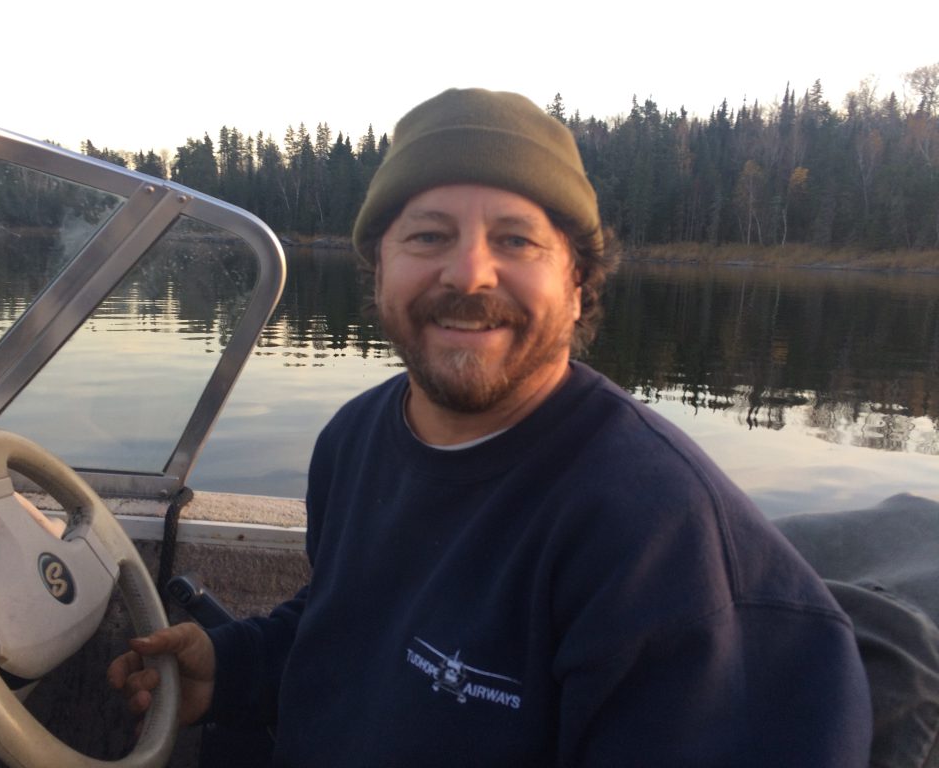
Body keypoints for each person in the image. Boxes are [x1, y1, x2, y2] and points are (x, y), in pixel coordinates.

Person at [109, 87, 873, 766]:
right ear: (378, 271)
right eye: (428, 235)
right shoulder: (355, 439)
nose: (468, 273)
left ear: (578, 285)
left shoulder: (657, 538)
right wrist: (237, 667)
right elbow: (357, 628)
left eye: (515, 239)